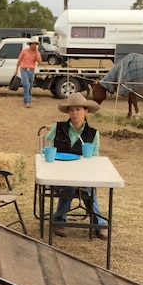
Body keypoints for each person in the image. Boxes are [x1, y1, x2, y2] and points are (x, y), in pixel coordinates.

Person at [43, 92, 108, 239]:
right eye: (71, 110)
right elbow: (46, 146)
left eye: (78, 109)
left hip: (83, 173)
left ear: (86, 111)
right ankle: (61, 220)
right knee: (70, 185)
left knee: (85, 187)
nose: (74, 113)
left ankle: (97, 223)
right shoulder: (58, 128)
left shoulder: (93, 133)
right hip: (58, 174)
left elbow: (94, 159)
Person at [14, 36, 42, 108]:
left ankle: (28, 99)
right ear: (30, 44)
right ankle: (27, 101)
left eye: (35, 44)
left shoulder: (36, 53)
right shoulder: (24, 51)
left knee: (30, 86)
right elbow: (19, 60)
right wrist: (16, 69)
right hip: (24, 69)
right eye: (33, 44)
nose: (34, 45)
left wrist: (37, 52)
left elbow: (39, 61)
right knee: (26, 84)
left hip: (31, 70)